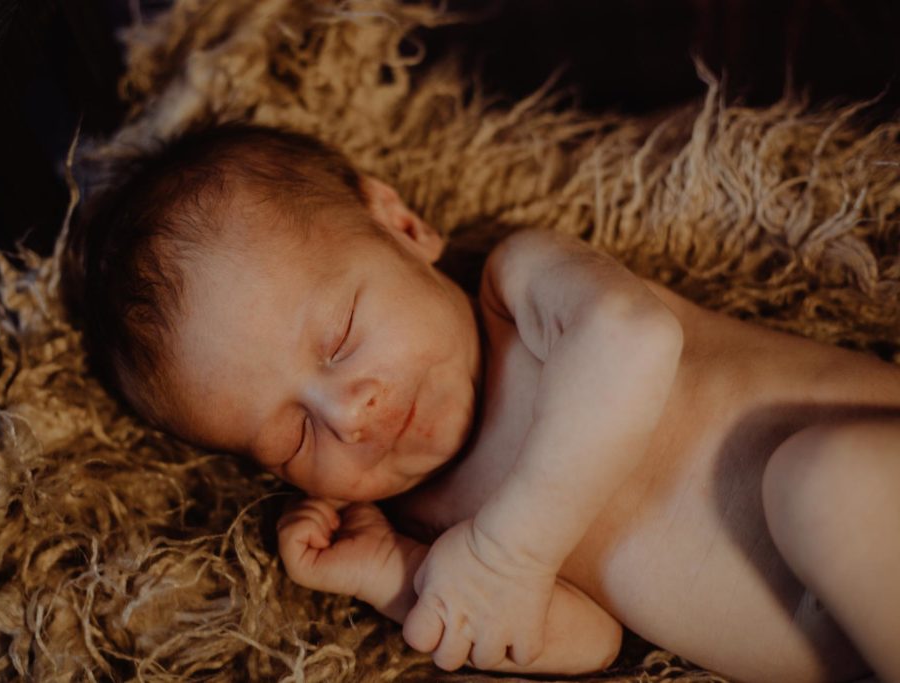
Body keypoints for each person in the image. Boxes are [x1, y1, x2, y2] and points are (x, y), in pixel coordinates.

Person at [64, 122, 900, 682]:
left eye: (342, 334)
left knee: (817, 485)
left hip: (871, 485)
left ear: (401, 224)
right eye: (287, 436)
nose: (349, 413)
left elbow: (634, 340)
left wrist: (507, 554)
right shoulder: (429, 514)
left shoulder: (517, 288)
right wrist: (407, 579)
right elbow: (588, 642)